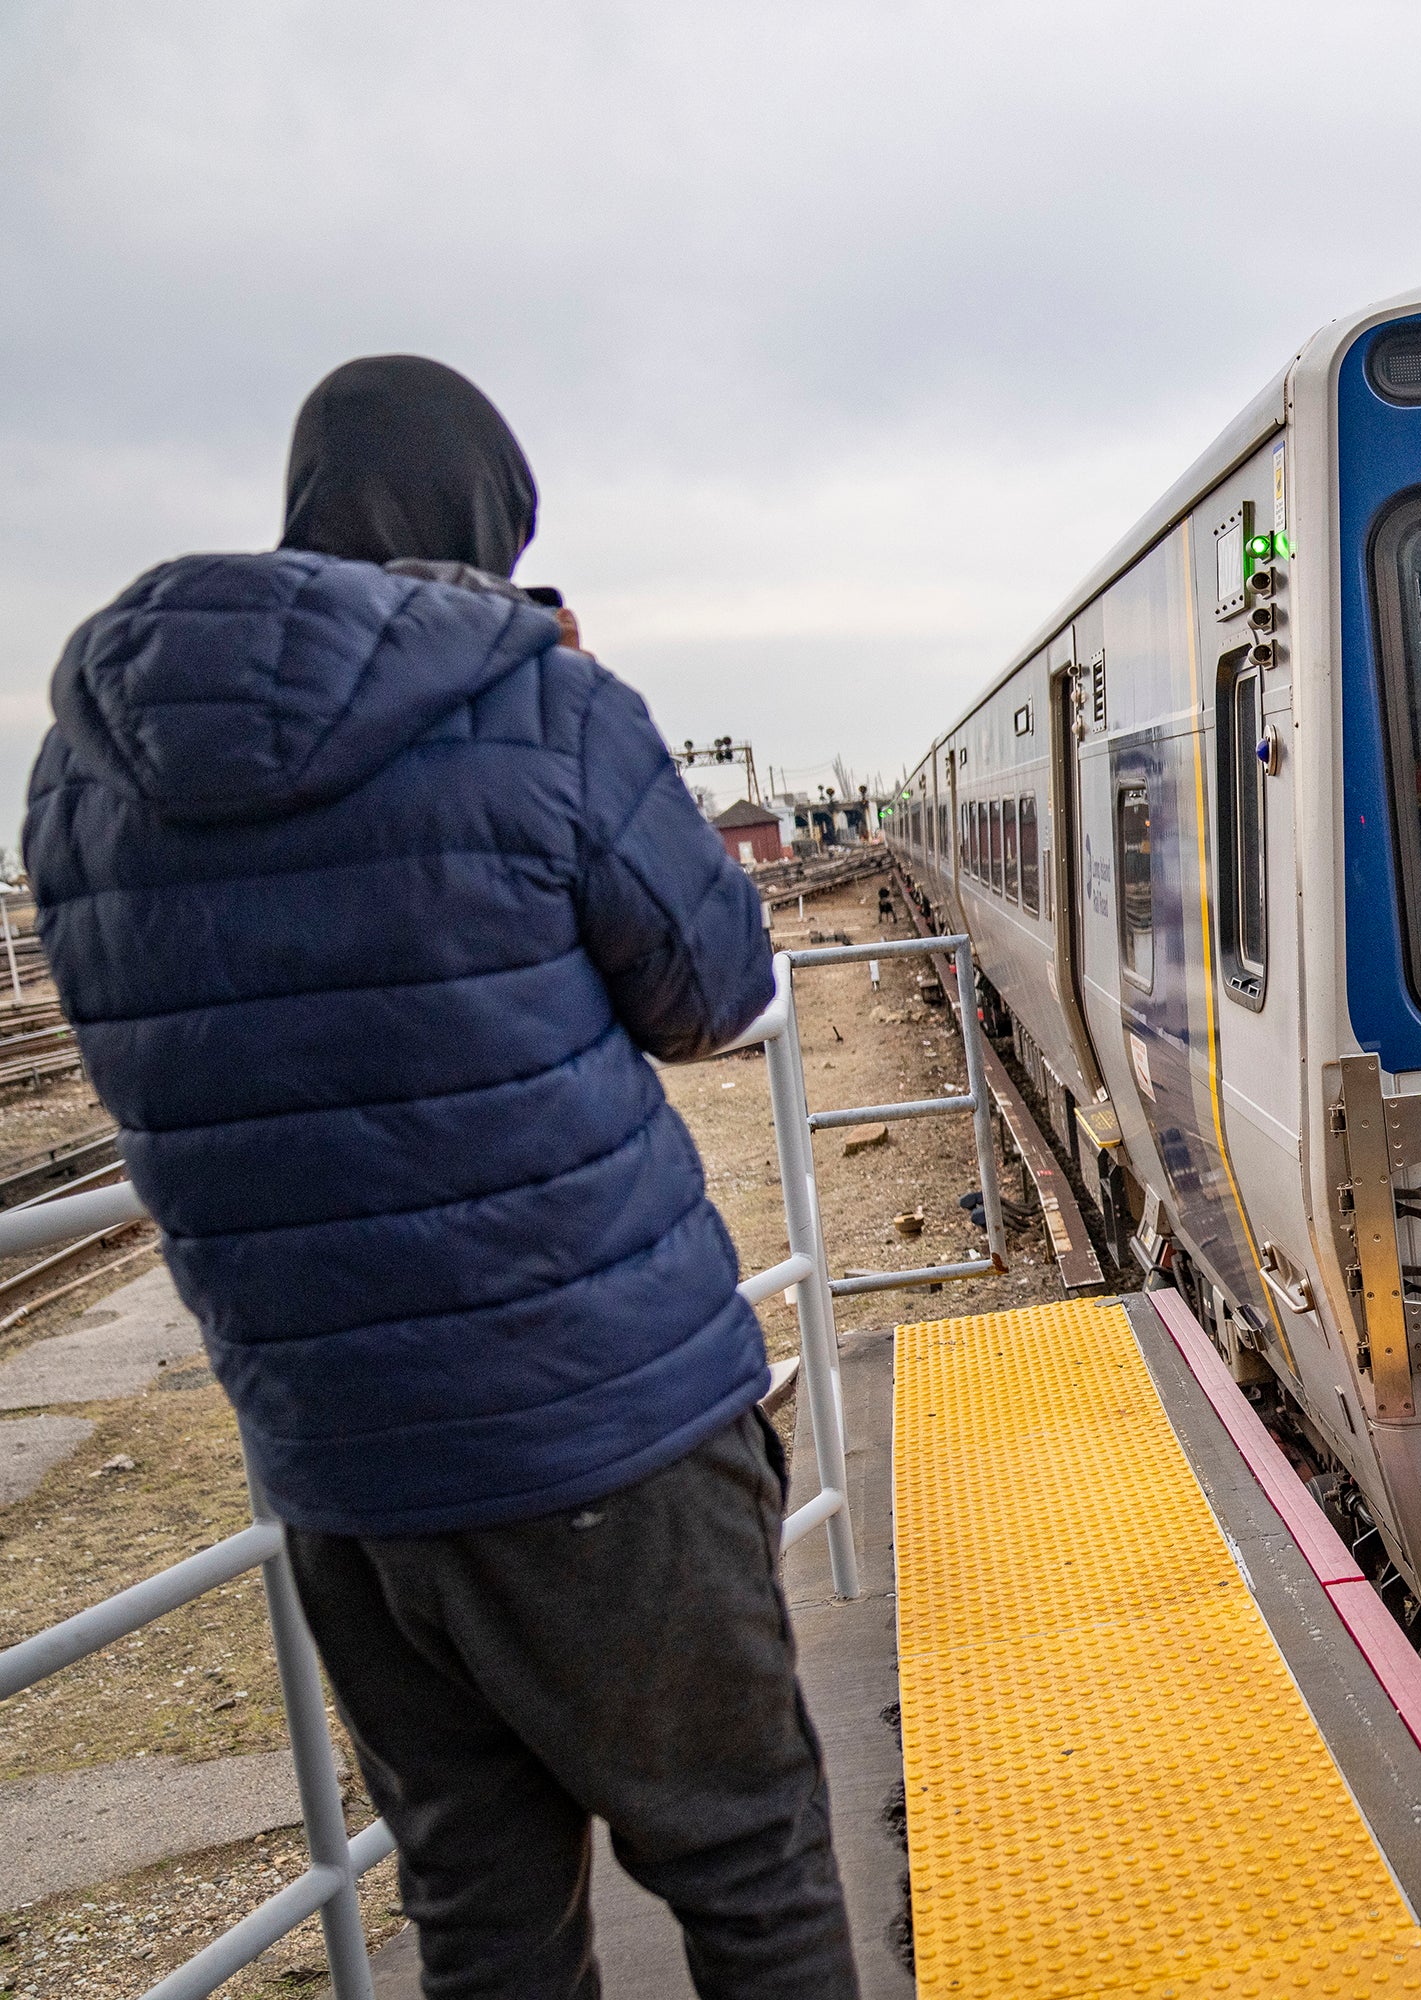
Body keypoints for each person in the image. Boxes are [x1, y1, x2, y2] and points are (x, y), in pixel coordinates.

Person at [23, 355, 854, 1997]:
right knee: (750, 1870)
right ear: (486, 518)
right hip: (604, 1426)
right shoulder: (539, 699)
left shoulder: (81, 773)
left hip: (347, 1474)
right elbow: (719, 994)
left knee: (483, 1915)